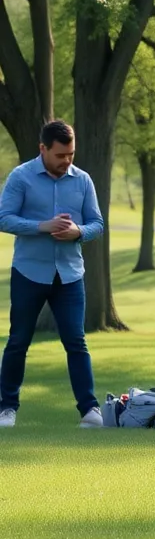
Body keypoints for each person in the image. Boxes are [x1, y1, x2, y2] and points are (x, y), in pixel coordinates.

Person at [0, 120, 104, 428]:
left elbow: (97, 223)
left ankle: (89, 410)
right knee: (18, 340)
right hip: (29, 272)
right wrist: (41, 227)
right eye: (61, 155)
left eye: (71, 154)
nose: (67, 161)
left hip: (70, 276)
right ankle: (7, 407)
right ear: (42, 149)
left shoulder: (83, 180)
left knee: (76, 341)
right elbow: (3, 217)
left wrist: (78, 232)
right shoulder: (21, 177)